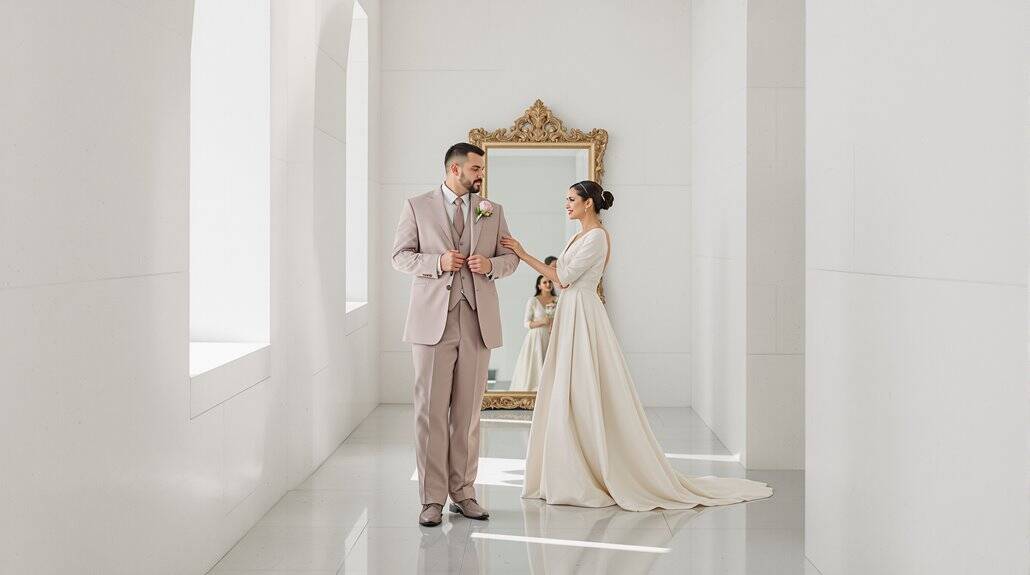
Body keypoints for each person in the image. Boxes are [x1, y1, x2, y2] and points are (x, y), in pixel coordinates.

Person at [501, 181, 772, 511]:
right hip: (572, 312)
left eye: (572, 199)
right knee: (569, 388)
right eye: (566, 200)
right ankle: (572, 464)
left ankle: (594, 466)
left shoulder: (597, 236)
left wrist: (522, 253)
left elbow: (564, 278)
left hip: (583, 314)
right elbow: (562, 273)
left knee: (586, 387)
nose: (566, 204)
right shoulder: (578, 235)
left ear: (589, 204)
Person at [391, 143, 520, 526]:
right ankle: (431, 499)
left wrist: (492, 264)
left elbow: (511, 258)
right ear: (454, 169)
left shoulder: (493, 211)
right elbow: (399, 256)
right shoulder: (417, 206)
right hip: (433, 322)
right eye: (476, 168)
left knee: (467, 414)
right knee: (430, 413)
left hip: (478, 321)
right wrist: (438, 262)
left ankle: (463, 493)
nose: (481, 174)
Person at [508, 275, 557, 392]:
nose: (548, 284)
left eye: (550, 282)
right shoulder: (533, 301)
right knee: (536, 363)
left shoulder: (558, 299)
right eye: (544, 282)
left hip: (552, 336)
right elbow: (526, 323)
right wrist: (542, 321)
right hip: (536, 338)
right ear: (539, 286)